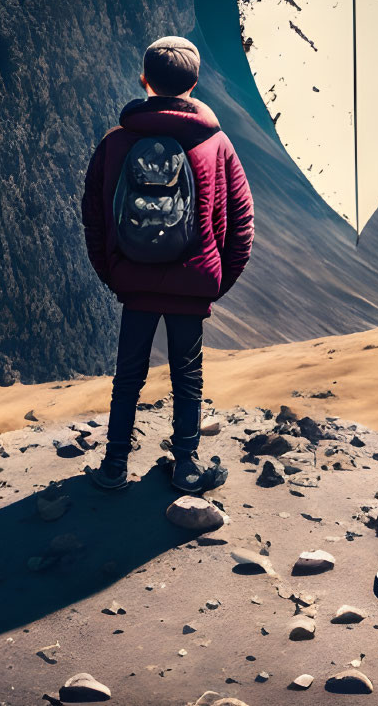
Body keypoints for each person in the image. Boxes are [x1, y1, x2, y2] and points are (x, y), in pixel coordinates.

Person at [80, 35, 254, 493]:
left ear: (144, 81)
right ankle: (187, 466)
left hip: (133, 281)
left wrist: (115, 273)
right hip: (192, 285)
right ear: (196, 83)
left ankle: (114, 465)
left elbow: (94, 218)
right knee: (188, 375)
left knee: (128, 376)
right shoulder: (216, 143)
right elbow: (242, 223)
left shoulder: (116, 143)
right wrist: (213, 279)